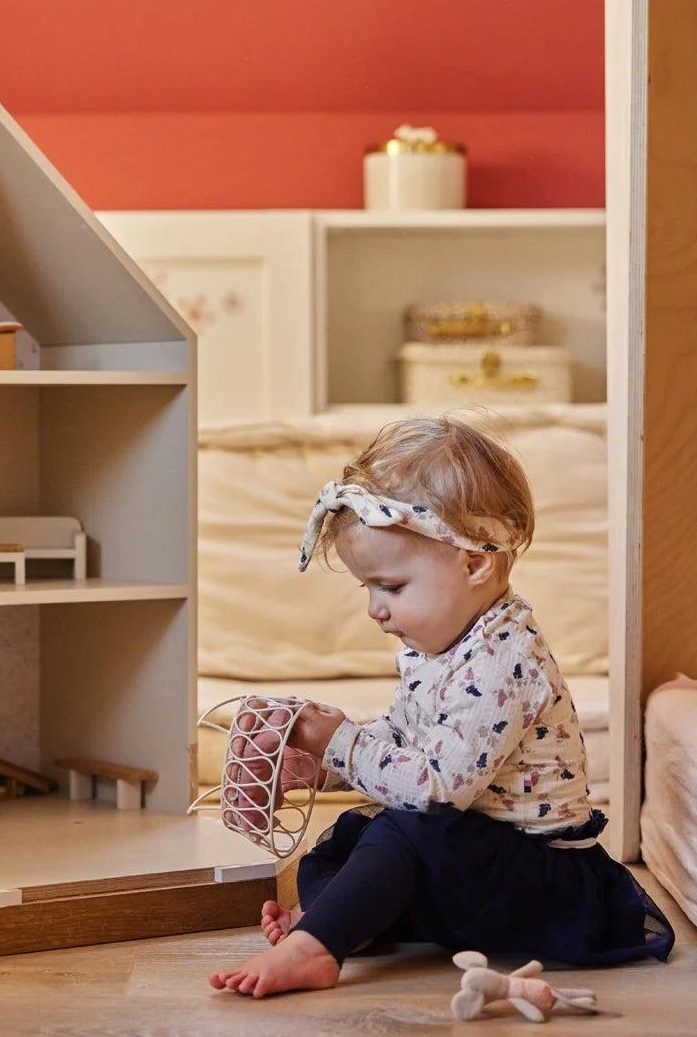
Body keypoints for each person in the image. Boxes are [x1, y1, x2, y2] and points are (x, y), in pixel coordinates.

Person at [209, 415, 674, 998]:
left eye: (392, 587)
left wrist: (344, 742)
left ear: (475, 562)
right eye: (368, 589)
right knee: (346, 842)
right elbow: (405, 744)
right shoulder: (440, 649)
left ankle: (317, 948)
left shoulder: (504, 661)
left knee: (402, 833)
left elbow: (433, 789)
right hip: (477, 862)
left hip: (541, 882)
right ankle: (343, 923)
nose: (376, 610)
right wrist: (323, 767)